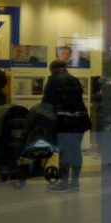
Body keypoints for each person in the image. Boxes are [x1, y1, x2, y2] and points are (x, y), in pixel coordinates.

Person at [42, 59, 89, 192]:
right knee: (75, 151)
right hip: (80, 119)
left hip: (64, 121)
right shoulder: (74, 80)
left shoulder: (53, 80)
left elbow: (46, 102)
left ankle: (63, 182)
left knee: (64, 152)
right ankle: (75, 183)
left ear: (53, 69)